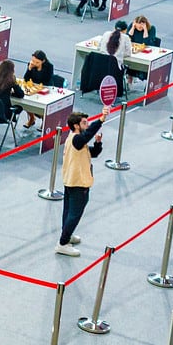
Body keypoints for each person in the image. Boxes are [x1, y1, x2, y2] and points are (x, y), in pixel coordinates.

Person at [56, 110, 106, 256]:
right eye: (84, 123)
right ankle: (63, 243)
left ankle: (67, 233)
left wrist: (97, 144)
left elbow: (92, 153)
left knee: (68, 211)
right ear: (76, 125)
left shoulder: (75, 139)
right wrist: (101, 119)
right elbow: (86, 136)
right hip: (78, 181)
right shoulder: (77, 139)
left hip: (71, 179)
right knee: (75, 213)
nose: (87, 125)